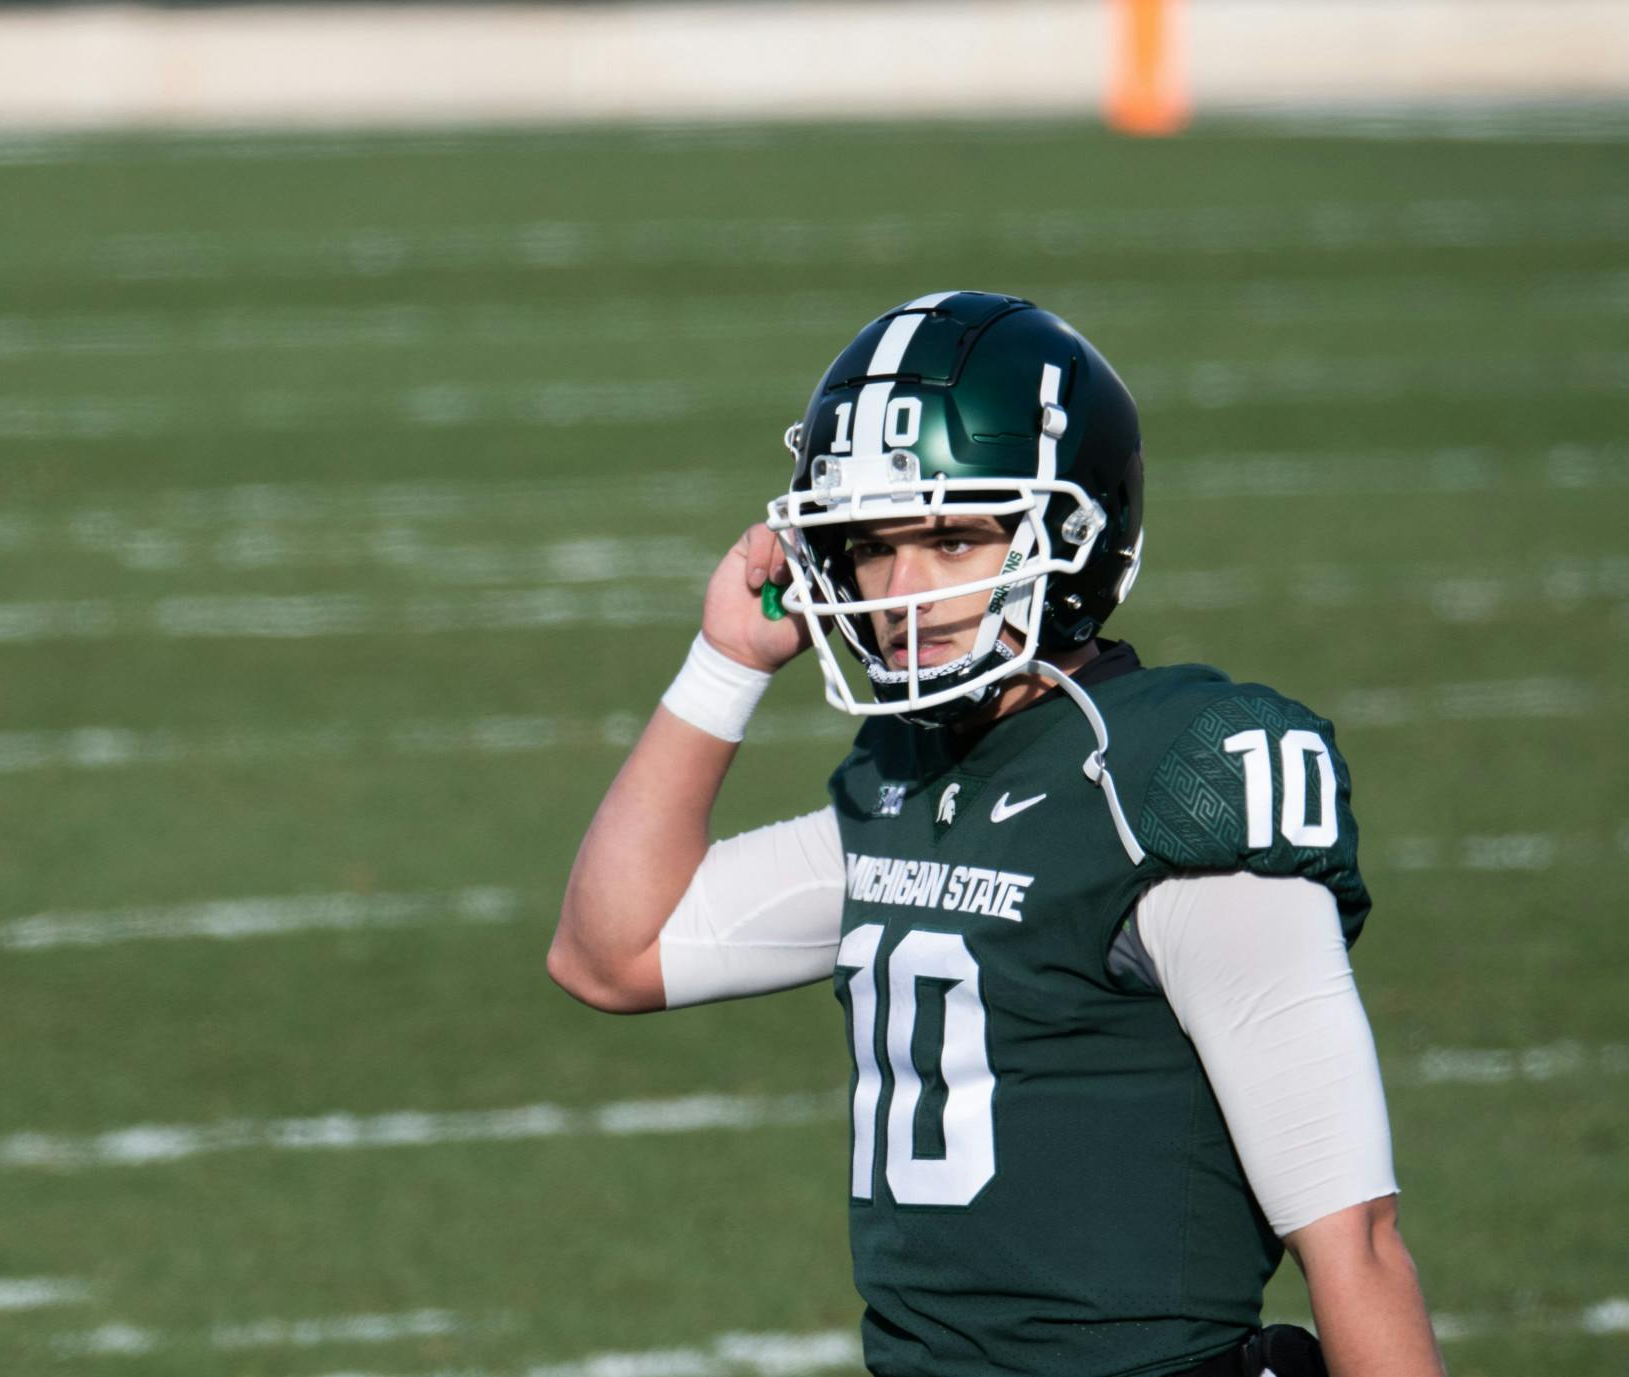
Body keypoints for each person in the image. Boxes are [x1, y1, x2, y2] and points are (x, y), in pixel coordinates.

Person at [548, 292, 1447, 1377]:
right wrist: (724, 664)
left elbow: (1352, 1245)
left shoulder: (1171, 785)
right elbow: (609, 954)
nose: (902, 594)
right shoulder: (903, 786)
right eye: (871, 548)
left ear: (1072, 538)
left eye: (953, 537)